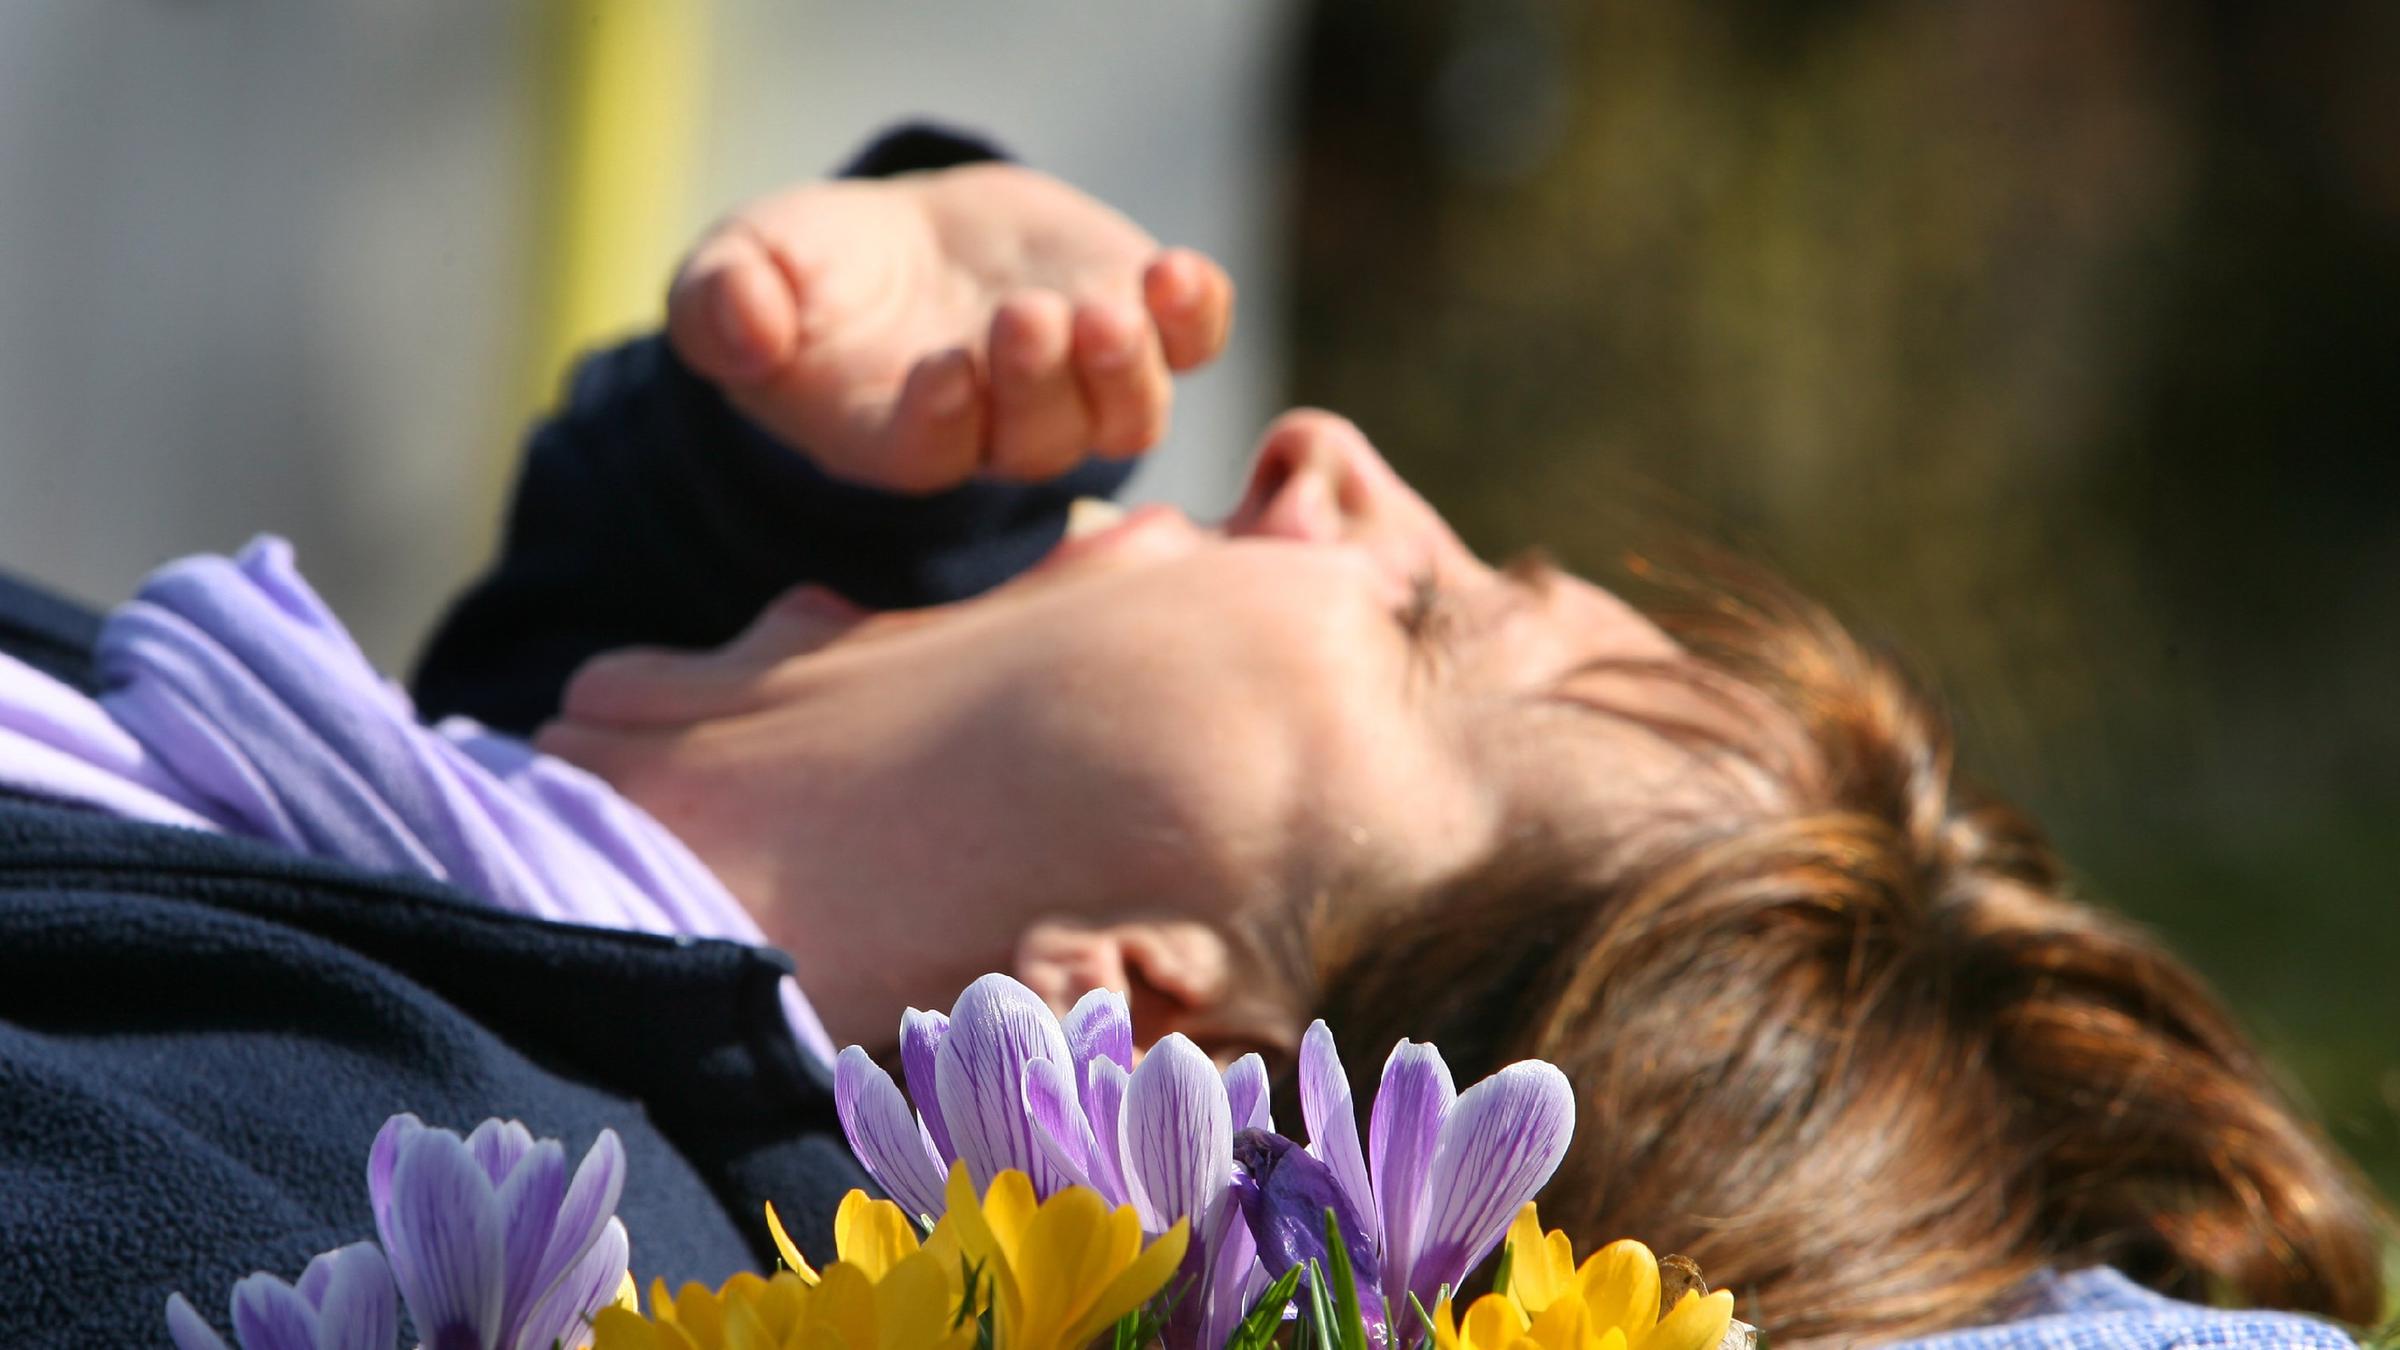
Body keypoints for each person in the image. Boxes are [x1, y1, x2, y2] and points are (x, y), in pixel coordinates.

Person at [0, 127, 2380, 1348]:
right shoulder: (441, 921)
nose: (1327, 459)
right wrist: (787, 460)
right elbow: (562, 847)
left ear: (1143, 1026)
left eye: (1433, 624)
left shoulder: (298, 1217)